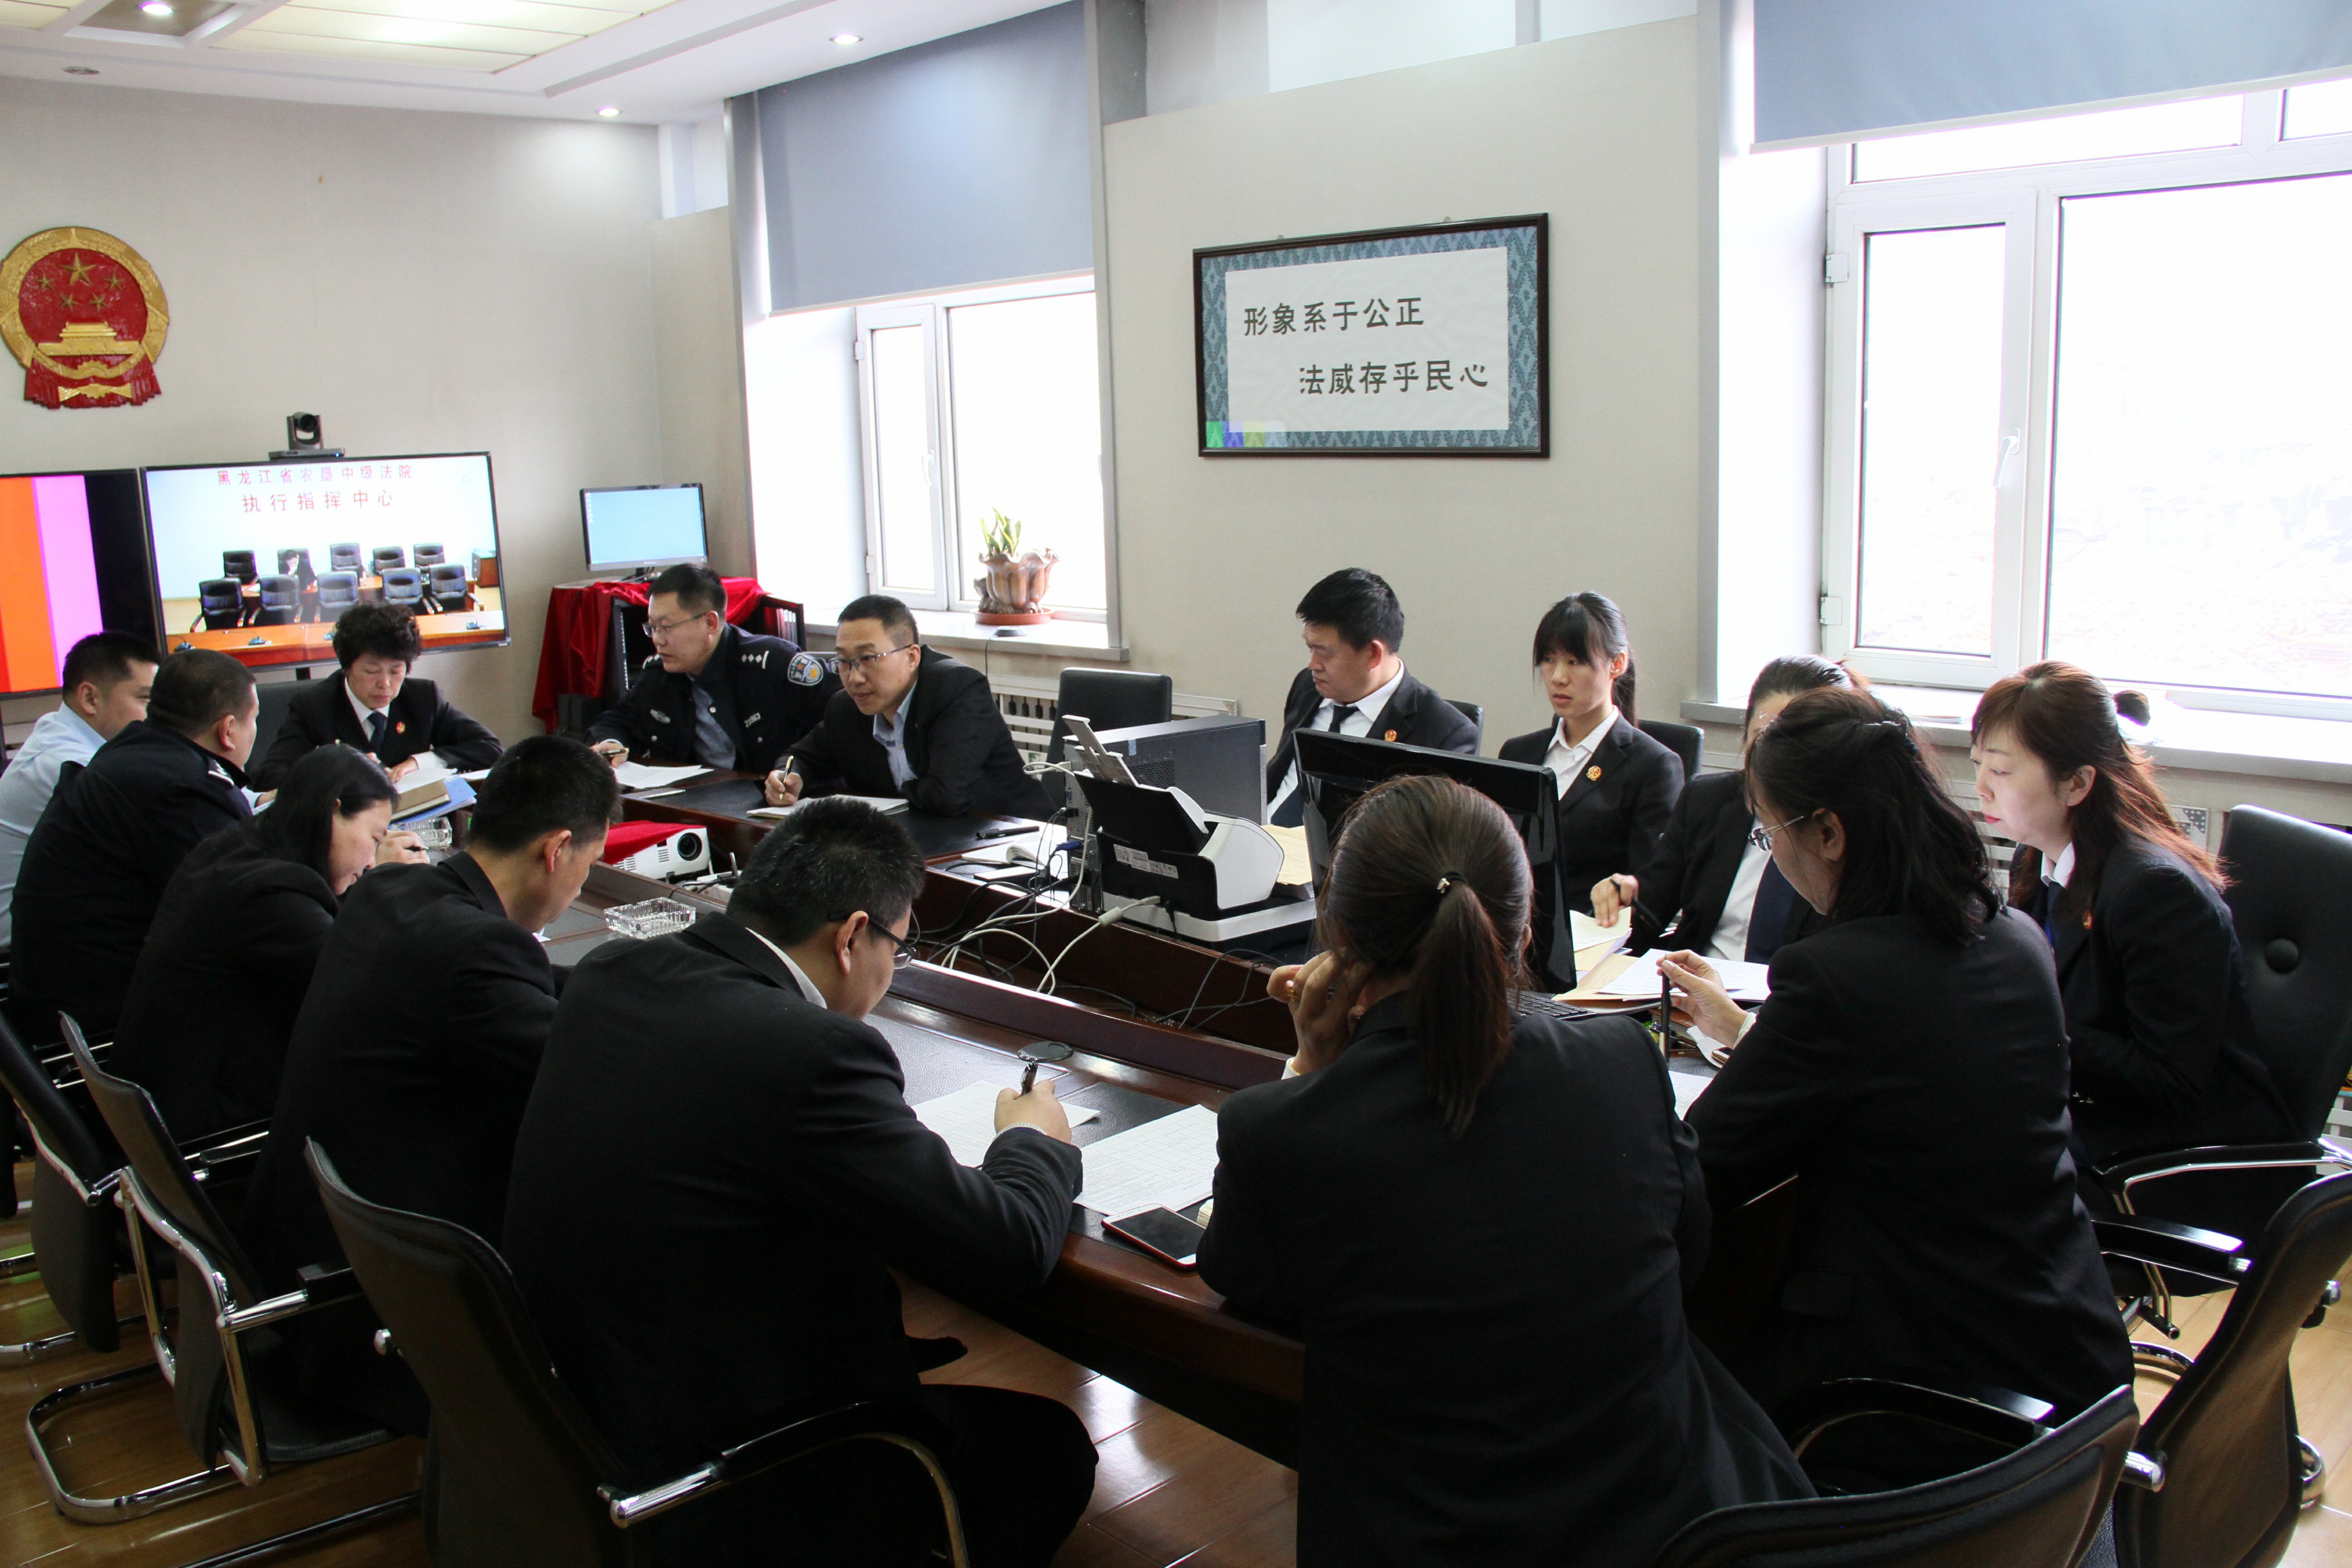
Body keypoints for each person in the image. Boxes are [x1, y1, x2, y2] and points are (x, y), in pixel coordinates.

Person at [1200, 774, 1810, 1568]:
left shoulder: (1281, 1130)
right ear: (1524, 935)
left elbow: (1244, 1279)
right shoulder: (1623, 1063)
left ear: (1338, 939)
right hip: (1673, 1529)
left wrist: (1312, 1072)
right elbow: (1686, 1255)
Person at [506, 799, 1090, 1568]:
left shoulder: (614, 972)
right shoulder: (810, 1054)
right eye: (898, 948)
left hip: (579, 1413)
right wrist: (1030, 1139)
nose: (892, 973)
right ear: (852, 937)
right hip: (727, 1464)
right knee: (1048, 1451)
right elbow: (1008, 1248)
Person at [1673, 688, 2133, 1426]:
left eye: (1768, 832)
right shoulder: (2014, 936)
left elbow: (1701, 1171)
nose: (1773, 852)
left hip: (1914, 1385)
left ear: (1828, 832)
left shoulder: (1836, 975)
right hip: (2067, 1355)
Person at [238, 735, 616, 1431]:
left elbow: (525, 986)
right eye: (590, 863)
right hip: (387, 1314)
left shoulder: (395, 891)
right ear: (558, 850)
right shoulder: (477, 950)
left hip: (309, 1250)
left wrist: (628, 984)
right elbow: (590, 1087)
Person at [1972, 663, 2291, 1183]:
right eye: (1978, 764)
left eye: (2002, 772)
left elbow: (2170, 1081)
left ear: (2077, 783)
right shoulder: (2040, 857)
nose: (1981, 787)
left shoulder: (2155, 891)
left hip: (2180, 1161)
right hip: (2095, 1118)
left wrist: (2032, 1023)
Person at [111, 747, 422, 1142]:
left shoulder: (237, 848)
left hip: (164, 1093)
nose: (371, 860)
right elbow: (366, 993)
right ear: (332, 812)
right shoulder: (274, 894)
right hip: (205, 1121)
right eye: (374, 837)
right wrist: (389, 888)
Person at [11, 649, 257, 1039]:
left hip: (59, 1007)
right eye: (254, 720)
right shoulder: (183, 789)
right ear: (228, 730)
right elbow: (248, 912)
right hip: (103, 1030)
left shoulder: (131, 756)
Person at [1594, 656, 1851, 962]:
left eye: (1797, 744)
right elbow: (1652, 907)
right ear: (1745, 733)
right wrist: (1625, 898)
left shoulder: (1842, 830)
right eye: (1763, 738)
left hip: (1790, 988)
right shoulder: (1709, 799)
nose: (1775, 759)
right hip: (1695, 979)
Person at [764, 595, 1052, 819]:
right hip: (923, 842)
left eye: (868, 659)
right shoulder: (845, 708)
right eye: (844, 662)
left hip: (1014, 841)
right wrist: (789, 777)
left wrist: (874, 800)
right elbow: (801, 757)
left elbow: (947, 797)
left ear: (912, 657)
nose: (854, 678)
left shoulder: (957, 690)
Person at [1499, 592, 1683, 913]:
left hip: (1592, 931)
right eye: (1549, 660)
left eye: (1575, 662)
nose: (1558, 677)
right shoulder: (1519, 752)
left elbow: (1653, 889)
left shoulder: (1653, 766)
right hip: (1510, 925)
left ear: (1617, 664)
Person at [1263, 568, 1478, 828]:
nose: (1313, 665)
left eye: (1324, 652)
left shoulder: (1445, 733)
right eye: (1310, 648)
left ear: (1374, 654)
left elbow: (1425, 837)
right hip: (1261, 837)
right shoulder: (1307, 687)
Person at [588, 564, 838, 774]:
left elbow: (841, 719)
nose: (657, 640)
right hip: (698, 803)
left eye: (667, 627)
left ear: (710, 623)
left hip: (777, 802)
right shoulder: (660, 674)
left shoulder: (773, 664)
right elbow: (619, 720)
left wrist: (797, 770)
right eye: (652, 628)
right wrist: (611, 743)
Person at [0, 631, 157, 948]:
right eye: (145, 699)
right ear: (90, 699)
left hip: (64, 929)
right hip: (26, 951)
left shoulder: (73, 737)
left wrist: (259, 799)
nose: (157, 714)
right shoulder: (66, 765)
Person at [248, 602, 502, 789]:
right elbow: (269, 776)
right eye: (372, 672)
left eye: (396, 671)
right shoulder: (314, 707)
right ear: (347, 668)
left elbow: (489, 748)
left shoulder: (423, 698)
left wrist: (419, 762)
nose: (385, 684)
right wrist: (334, 771)